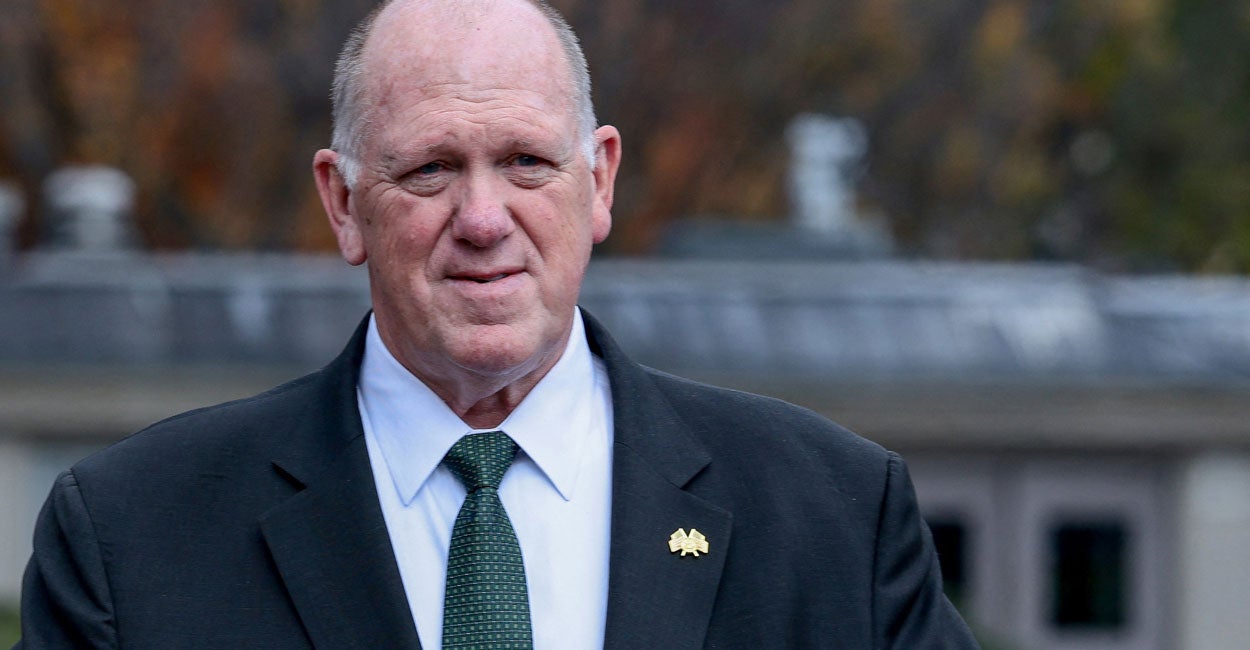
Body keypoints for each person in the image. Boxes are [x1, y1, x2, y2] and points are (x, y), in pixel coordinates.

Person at [14, 0, 980, 648]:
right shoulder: (134, 538)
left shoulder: (833, 520)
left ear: (599, 181)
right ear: (343, 204)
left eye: (526, 162)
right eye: (430, 168)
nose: (483, 219)